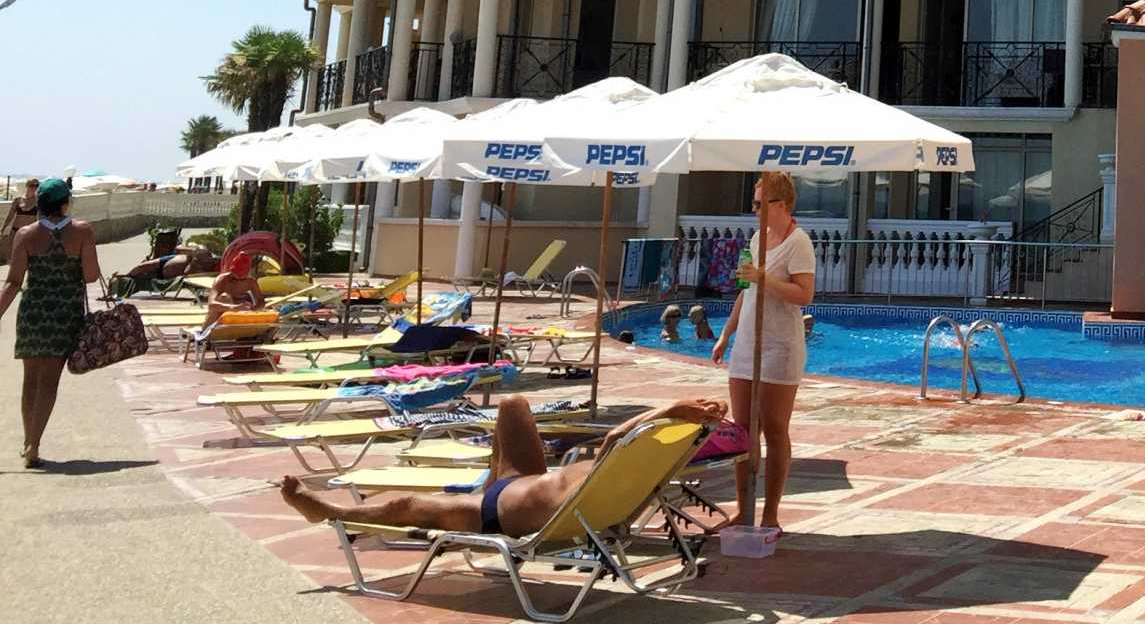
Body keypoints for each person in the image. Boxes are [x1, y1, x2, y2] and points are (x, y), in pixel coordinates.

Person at [276, 395, 725, 535]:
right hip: (523, 481)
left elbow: (612, 439)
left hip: (497, 512)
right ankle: (486, 480)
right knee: (513, 406)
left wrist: (669, 409)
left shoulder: (618, 462)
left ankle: (331, 512)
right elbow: (615, 442)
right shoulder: (639, 471)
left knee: (407, 506)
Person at [709, 171, 815, 532]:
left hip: (779, 346)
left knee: (774, 429)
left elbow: (804, 295)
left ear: (780, 204)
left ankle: (770, 513)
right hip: (747, 344)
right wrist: (726, 334)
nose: (754, 211)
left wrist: (765, 278)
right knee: (743, 430)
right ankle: (744, 509)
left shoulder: (799, 242)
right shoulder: (756, 239)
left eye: (758, 204)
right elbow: (746, 290)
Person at [0, 179, 103, 467]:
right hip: (65, 314)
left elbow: (13, 281)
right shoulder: (82, 231)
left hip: (32, 314)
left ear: (40, 205)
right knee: (48, 382)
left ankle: (27, 442)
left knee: (30, 380)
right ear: (65, 203)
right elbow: (91, 275)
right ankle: (34, 444)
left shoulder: (26, 235)